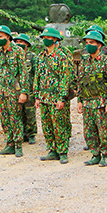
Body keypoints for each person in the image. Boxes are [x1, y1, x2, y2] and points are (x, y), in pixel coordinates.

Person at [76, 30, 107, 167]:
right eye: (87, 43)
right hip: (87, 102)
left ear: (99, 45)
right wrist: (79, 100)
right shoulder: (84, 61)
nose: (88, 45)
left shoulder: (106, 61)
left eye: (92, 43)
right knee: (89, 131)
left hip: (101, 102)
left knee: (104, 130)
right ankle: (95, 154)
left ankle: (105, 155)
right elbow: (80, 82)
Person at [34, 27, 73, 164]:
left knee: (59, 125)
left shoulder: (62, 56)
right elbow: (37, 77)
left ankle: (63, 151)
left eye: (48, 37)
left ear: (55, 39)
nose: (45, 40)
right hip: (44, 97)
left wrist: (62, 97)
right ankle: (52, 149)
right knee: (47, 125)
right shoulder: (41, 57)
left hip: (56, 97)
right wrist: (37, 96)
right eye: (44, 38)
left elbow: (65, 78)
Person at [0, 25, 29, 157]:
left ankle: (18, 145)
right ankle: (9, 143)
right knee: (4, 118)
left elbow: (23, 72)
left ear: (8, 36)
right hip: (2, 91)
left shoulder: (17, 51)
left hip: (14, 91)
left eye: (1, 36)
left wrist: (23, 91)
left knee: (15, 118)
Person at [13, 33, 38, 145]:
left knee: (30, 113)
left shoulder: (32, 57)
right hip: (16, 90)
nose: (18, 44)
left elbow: (36, 73)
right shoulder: (13, 56)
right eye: (17, 42)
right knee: (18, 113)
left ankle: (31, 134)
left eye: (21, 42)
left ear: (27, 44)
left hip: (29, 90)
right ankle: (21, 133)